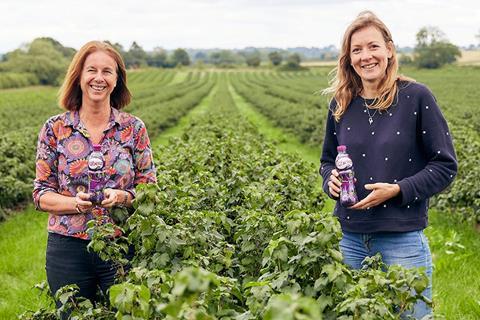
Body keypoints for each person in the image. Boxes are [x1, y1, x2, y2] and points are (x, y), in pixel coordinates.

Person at [320, 11, 457, 319]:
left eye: (373, 47)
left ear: (389, 50)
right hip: (349, 237)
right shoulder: (341, 103)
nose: (366, 56)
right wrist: (329, 177)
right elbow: (328, 159)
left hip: (402, 237)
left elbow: (445, 164)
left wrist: (398, 190)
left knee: (412, 316)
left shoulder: (416, 98)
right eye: (357, 50)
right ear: (348, 58)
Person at [33, 41, 156, 310]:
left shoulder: (133, 129)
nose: (98, 78)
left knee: (127, 314)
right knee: (73, 314)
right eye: (91, 70)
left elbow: (150, 186)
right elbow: (41, 193)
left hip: (121, 244)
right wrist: (76, 203)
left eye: (107, 71)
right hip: (68, 248)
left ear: (117, 81)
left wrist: (123, 197)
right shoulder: (55, 129)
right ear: (78, 76)